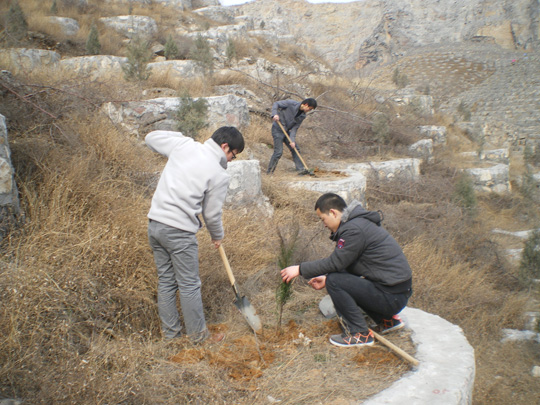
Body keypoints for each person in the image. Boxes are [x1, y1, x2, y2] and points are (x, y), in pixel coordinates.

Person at [145, 127, 244, 343]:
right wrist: (217, 235)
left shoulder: (183, 146)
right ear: (225, 146)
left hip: (155, 225)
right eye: (232, 154)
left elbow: (150, 137)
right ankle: (199, 339)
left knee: (166, 282)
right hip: (179, 232)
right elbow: (211, 213)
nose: (231, 159)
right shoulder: (218, 174)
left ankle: (171, 337)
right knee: (189, 284)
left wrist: (180, 137)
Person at [280, 193, 413, 347]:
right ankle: (387, 320)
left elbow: (336, 262)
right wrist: (325, 278)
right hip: (396, 293)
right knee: (334, 278)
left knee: (335, 281)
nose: (323, 224)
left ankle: (359, 334)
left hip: (392, 296)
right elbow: (348, 263)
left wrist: (300, 269)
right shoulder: (358, 224)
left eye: (323, 219)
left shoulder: (353, 229)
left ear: (333, 213)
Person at [267, 98, 317, 175]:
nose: (309, 111)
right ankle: (269, 173)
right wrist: (275, 114)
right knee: (278, 152)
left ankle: (301, 171)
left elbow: (294, 129)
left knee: (295, 148)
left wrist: (292, 140)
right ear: (306, 105)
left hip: (286, 131)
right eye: (309, 109)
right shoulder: (290, 103)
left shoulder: (302, 116)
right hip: (277, 129)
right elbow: (276, 104)